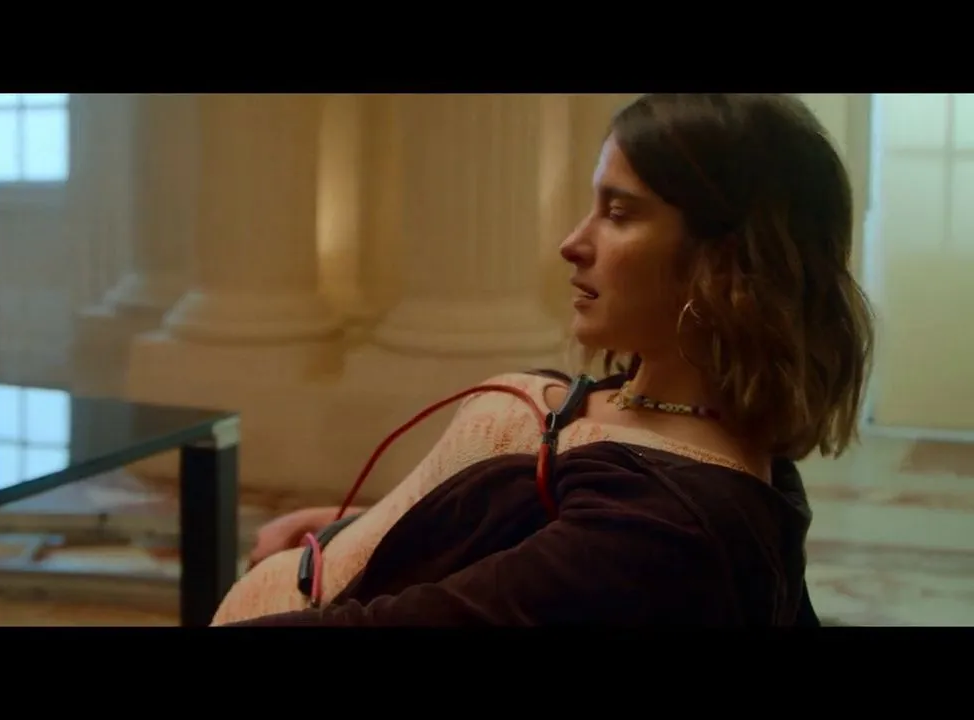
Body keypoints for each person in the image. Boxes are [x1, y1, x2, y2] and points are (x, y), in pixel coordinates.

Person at [211, 93, 873, 626]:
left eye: (619, 213)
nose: (572, 242)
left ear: (727, 266)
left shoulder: (664, 529)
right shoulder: (656, 411)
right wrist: (360, 532)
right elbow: (504, 540)